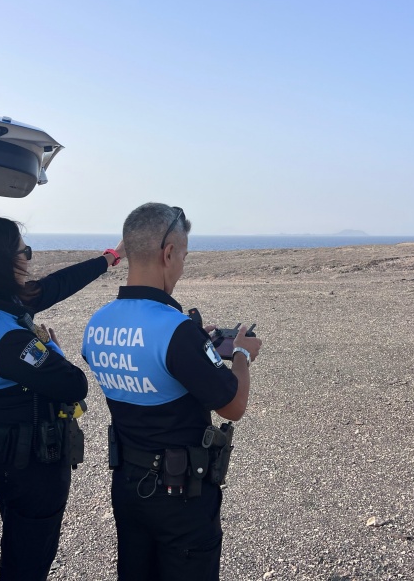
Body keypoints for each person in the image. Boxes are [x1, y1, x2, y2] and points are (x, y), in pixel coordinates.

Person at [81, 203, 262, 581]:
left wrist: (197, 348)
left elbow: (146, 363)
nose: (181, 265)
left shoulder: (96, 324)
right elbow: (233, 406)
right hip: (181, 495)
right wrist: (242, 355)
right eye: (183, 256)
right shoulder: (176, 331)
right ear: (168, 253)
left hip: (128, 486)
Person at [0, 214, 124, 581]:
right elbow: (74, 385)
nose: (28, 259)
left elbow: (52, 287)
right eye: (22, 252)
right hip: (29, 468)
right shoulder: (11, 341)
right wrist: (52, 347)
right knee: (29, 561)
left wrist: (110, 258)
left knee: (17, 536)